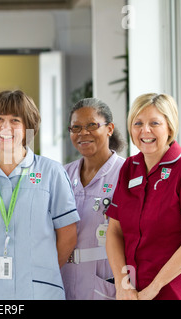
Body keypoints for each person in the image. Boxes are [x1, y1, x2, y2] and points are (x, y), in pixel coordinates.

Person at [0, 90, 79, 300]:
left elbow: (68, 235)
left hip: (40, 292)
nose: (5, 127)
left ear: (28, 127)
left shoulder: (51, 173)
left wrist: (41, 271)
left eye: (15, 120)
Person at [106, 93, 181, 300]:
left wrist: (154, 287)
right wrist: (122, 284)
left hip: (174, 292)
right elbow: (114, 231)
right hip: (134, 292)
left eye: (155, 123)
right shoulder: (129, 168)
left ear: (169, 126)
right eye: (138, 123)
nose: (145, 130)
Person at [61, 98, 126, 300]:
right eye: (76, 128)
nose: (83, 133)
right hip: (64, 277)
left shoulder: (126, 173)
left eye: (92, 125)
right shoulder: (63, 174)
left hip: (103, 280)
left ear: (109, 129)